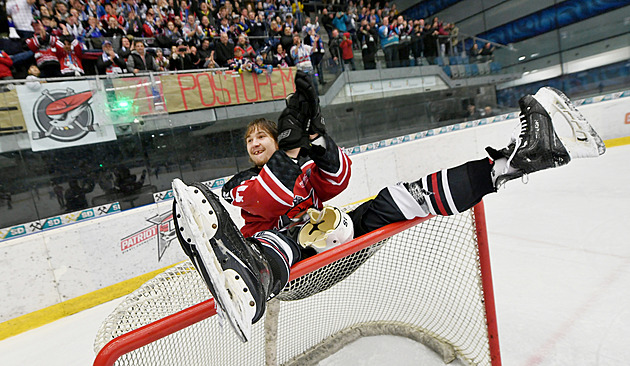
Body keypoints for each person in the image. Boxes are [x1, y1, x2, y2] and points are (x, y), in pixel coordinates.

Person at [171, 72, 605, 341]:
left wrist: (317, 141)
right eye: (249, 141)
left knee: (397, 199)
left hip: (334, 244)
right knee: (281, 241)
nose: (254, 143)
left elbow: (337, 180)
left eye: (261, 135)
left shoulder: (297, 166)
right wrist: (288, 151)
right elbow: (262, 203)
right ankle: (250, 282)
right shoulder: (241, 183)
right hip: (287, 266)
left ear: (276, 137)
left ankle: (514, 161)